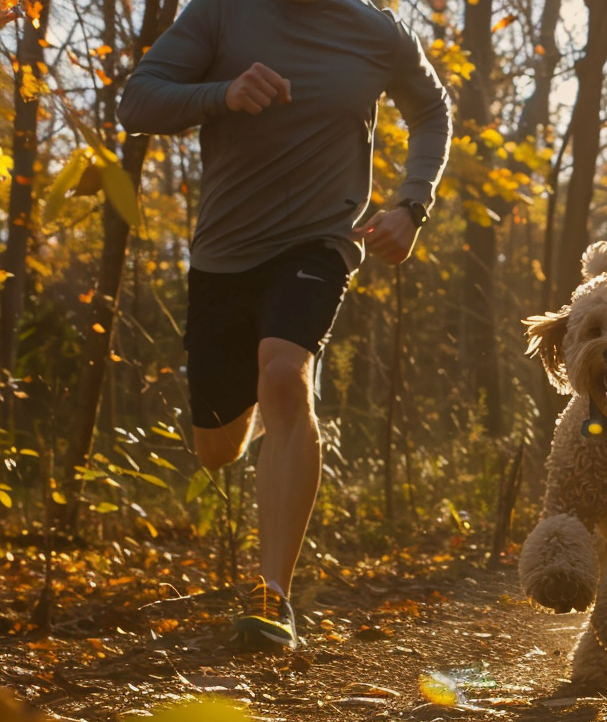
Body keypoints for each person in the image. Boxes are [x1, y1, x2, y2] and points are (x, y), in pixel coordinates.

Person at [117, 0, 451, 648]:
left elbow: (431, 110)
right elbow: (138, 103)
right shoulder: (219, 15)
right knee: (215, 448)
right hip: (223, 255)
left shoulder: (377, 31)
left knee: (285, 375)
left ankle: (274, 600)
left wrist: (413, 204)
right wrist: (223, 93)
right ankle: (265, 410)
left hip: (320, 241)